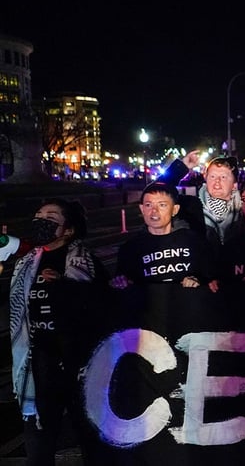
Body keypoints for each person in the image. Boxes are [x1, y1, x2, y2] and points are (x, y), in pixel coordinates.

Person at [9, 198, 112, 465]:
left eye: (51, 217)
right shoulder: (26, 263)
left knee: (89, 430)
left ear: (68, 230)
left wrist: (63, 286)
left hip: (77, 360)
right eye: (38, 215)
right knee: (40, 433)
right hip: (38, 361)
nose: (41, 220)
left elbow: (99, 307)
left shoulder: (83, 261)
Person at [111, 181, 214, 289]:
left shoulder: (195, 242)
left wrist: (198, 280)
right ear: (142, 209)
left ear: (175, 210)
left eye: (162, 205)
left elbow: (211, 277)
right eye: (148, 205)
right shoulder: (129, 249)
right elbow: (121, 283)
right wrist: (120, 283)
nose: (154, 211)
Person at [159, 152, 244, 247]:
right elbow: (156, 193)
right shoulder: (190, 206)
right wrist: (181, 168)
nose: (217, 181)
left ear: (234, 185)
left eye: (223, 177)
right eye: (212, 176)